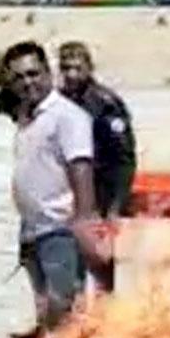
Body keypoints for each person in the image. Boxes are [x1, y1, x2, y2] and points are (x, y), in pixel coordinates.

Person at [5, 41, 106, 338]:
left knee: (63, 303)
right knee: (44, 299)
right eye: (19, 77)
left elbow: (81, 166)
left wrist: (85, 220)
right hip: (33, 226)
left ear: (48, 73)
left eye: (33, 74)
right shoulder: (29, 116)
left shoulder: (67, 116)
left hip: (60, 226)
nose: (27, 82)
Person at [57, 41, 135, 293]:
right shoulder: (58, 102)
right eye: (65, 68)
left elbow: (124, 159)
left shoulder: (105, 103)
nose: (71, 75)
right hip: (66, 193)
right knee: (65, 259)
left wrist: (116, 206)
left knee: (101, 262)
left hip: (100, 193)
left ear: (89, 68)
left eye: (77, 68)